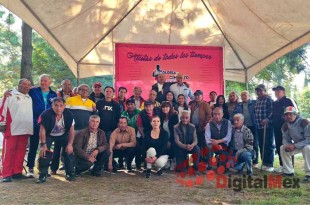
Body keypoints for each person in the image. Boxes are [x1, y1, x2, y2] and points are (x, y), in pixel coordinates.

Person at [0, 79, 33, 182]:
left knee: (21, 151)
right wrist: (2, 123)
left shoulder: (29, 97)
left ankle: (17, 172)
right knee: (8, 151)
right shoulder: (9, 95)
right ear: (18, 85)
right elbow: (2, 109)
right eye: (23, 84)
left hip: (25, 129)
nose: (25, 86)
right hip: (12, 128)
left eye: (28, 85)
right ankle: (6, 174)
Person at [36, 97, 75, 183]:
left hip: (63, 135)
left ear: (64, 106)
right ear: (52, 106)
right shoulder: (45, 114)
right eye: (56, 105)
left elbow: (72, 132)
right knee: (44, 153)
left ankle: (70, 173)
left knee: (68, 151)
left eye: (61, 106)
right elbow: (42, 130)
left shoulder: (69, 115)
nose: (58, 108)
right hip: (49, 135)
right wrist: (43, 144)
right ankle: (43, 174)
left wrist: (70, 144)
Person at [27, 74, 57, 177]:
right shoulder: (33, 91)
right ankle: (30, 169)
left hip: (48, 124)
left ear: (50, 82)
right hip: (35, 122)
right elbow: (21, 92)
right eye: (41, 81)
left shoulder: (54, 94)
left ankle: (44, 169)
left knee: (46, 147)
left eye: (45, 81)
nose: (43, 83)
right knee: (33, 146)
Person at [272, 86, 298, 173]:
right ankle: (282, 165)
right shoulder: (275, 103)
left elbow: (296, 113)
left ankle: (290, 166)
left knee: (288, 145)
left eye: (278, 91)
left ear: (284, 92)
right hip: (276, 127)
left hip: (288, 127)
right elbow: (272, 115)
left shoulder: (289, 101)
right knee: (279, 145)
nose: (276, 92)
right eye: (275, 91)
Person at [280, 106, 310, 182]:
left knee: (307, 148)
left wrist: (294, 145)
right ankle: (288, 171)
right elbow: (285, 138)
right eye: (286, 115)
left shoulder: (304, 122)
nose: (288, 116)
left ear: (295, 114)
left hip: (307, 144)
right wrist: (287, 145)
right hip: (297, 145)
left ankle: (309, 173)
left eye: (291, 114)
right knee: (282, 148)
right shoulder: (285, 126)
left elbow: (308, 139)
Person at [54, 79, 75, 173]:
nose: (67, 86)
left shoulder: (75, 95)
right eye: (65, 84)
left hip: (68, 122)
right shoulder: (56, 94)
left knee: (67, 146)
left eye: (69, 84)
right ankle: (54, 168)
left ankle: (66, 166)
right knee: (56, 148)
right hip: (55, 123)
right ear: (61, 85)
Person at [233, 91, 258, 168]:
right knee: (242, 142)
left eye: (245, 95)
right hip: (243, 126)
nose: (243, 96)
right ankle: (242, 160)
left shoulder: (254, 103)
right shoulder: (239, 105)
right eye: (242, 95)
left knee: (254, 144)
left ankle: (255, 162)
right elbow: (235, 114)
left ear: (249, 95)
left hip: (253, 125)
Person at [254, 84, 274, 172]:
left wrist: (268, 119)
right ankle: (264, 163)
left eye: (260, 90)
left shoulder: (269, 99)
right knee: (261, 145)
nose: (259, 92)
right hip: (259, 126)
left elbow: (272, 111)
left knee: (268, 145)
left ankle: (269, 164)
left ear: (265, 91)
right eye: (257, 91)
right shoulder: (257, 100)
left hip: (267, 126)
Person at [121, 99, 142, 169]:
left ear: (135, 105)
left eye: (132, 104)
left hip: (138, 135)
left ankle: (138, 164)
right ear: (126, 106)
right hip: (126, 135)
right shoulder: (123, 114)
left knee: (138, 147)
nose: (130, 106)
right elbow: (121, 125)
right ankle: (128, 163)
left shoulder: (139, 113)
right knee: (130, 149)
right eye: (128, 104)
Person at [159, 101, 179, 169]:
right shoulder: (161, 117)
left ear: (170, 108)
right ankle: (166, 160)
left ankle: (173, 161)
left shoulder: (174, 116)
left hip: (173, 136)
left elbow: (175, 131)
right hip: (164, 137)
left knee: (172, 144)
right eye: (163, 107)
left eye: (167, 107)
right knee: (163, 144)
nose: (165, 109)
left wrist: (170, 140)